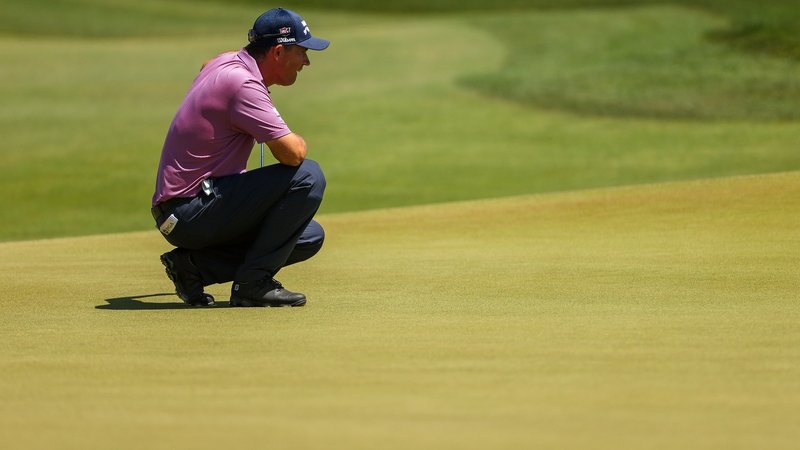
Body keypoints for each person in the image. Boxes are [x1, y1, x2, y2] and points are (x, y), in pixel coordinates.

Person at [150, 8, 329, 308]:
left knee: (308, 236)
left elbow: (207, 63)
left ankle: (193, 268)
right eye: (301, 52)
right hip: (189, 210)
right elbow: (293, 154)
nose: (307, 61)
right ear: (278, 52)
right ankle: (253, 284)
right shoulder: (243, 84)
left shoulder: (226, 63)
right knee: (309, 177)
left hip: (184, 210)